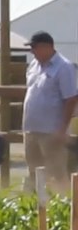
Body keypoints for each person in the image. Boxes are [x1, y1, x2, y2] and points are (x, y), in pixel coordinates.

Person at [22, 31, 78, 192]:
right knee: (34, 170)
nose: (32, 51)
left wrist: (62, 129)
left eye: (34, 47)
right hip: (31, 129)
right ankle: (37, 202)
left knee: (56, 172)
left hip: (52, 131)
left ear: (47, 47)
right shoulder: (33, 65)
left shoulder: (64, 67)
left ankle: (62, 203)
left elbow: (71, 99)